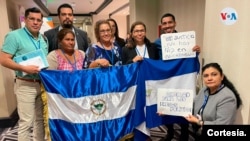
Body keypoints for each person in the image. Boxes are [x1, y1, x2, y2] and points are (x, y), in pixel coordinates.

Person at [0, 7, 47, 141]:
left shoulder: (43, 38)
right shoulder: (14, 36)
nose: (35, 22)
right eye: (32, 19)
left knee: (40, 120)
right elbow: (3, 59)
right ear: (25, 19)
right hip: (25, 85)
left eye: (38, 20)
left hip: (41, 84)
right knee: (26, 122)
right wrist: (24, 68)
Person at [155, 13, 200, 141]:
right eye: (164, 23)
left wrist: (196, 52)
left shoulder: (186, 40)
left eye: (170, 22)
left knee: (183, 104)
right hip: (167, 79)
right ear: (161, 26)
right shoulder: (157, 43)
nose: (167, 25)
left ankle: (185, 133)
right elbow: (154, 61)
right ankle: (170, 132)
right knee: (167, 106)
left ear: (175, 23)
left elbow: (190, 59)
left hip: (182, 78)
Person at [185, 62, 242, 140]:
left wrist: (198, 122)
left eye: (214, 74)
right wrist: (169, 110)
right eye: (206, 76)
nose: (209, 78)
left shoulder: (227, 97)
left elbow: (222, 125)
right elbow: (192, 104)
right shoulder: (204, 90)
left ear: (222, 77)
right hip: (198, 132)